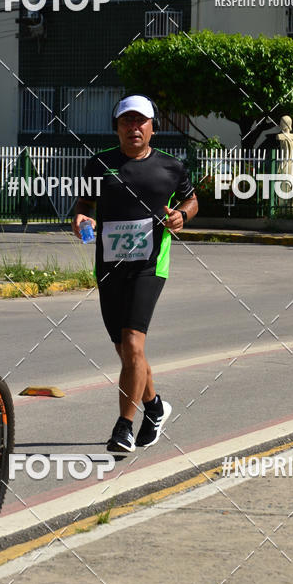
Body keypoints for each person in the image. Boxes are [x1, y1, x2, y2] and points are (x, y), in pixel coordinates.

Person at [73, 94, 198, 453]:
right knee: (127, 352)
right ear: (117, 128)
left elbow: (191, 200)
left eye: (140, 121)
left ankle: (124, 427)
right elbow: (84, 203)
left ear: (152, 128)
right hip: (109, 267)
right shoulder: (99, 166)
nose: (133, 127)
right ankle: (155, 406)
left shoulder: (171, 168)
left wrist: (182, 216)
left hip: (150, 265)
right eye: (126, 121)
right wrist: (81, 217)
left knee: (132, 344)